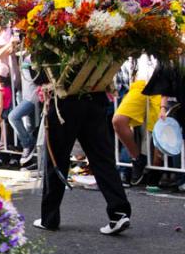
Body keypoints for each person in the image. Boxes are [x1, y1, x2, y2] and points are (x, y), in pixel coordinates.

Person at [36, 88, 132, 235]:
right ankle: (119, 213)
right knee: (102, 160)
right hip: (94, 98)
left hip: (64, 100)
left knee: (56, 159)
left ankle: (50, 218)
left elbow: (39, 76)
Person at [112, 54, 163, 185]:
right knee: (118, 121)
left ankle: (155, 171)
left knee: (159, 129)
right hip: (139, 84)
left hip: (160, 83)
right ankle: (137, 159)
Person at [8, 59, 40, 166]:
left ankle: (27, 143)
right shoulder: (23, 54)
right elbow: (17, 79)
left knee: (13, 117)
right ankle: (33, 159)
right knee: (29, 126)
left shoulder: (35, 54)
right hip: (24, 94)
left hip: (33, 96)